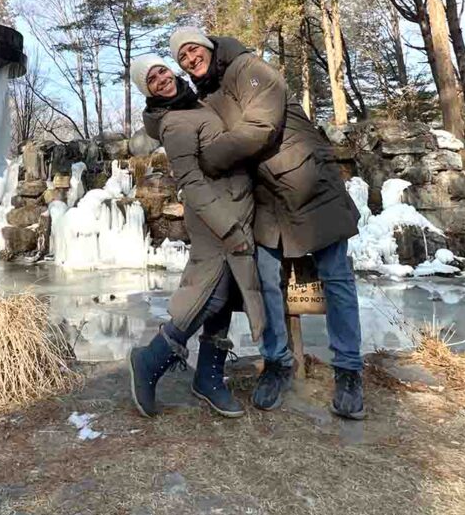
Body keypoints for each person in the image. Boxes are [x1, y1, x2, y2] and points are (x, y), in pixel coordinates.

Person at [169, 27, 366, 420]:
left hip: (308, 181)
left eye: (193, 50)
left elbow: (260, 127)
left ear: (206, 45)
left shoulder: (248, 67)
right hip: (264, 197)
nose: (191, 60)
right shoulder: (205, 96)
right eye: (183, 59)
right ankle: (276, 363)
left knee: (336, 276)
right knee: (265, 279)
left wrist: (209, 161)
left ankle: (348, 370)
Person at [127, 54, 265, 419]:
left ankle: (209, 376)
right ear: (148, 92)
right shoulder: (174, 122)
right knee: (211, 294)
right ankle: (151, 359)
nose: (160, 80)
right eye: (151, 81)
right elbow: (190, 183)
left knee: (229, 290)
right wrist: (228, 228)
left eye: (161, 72)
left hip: (234, 210)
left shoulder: (194, 104)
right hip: (215, 219)